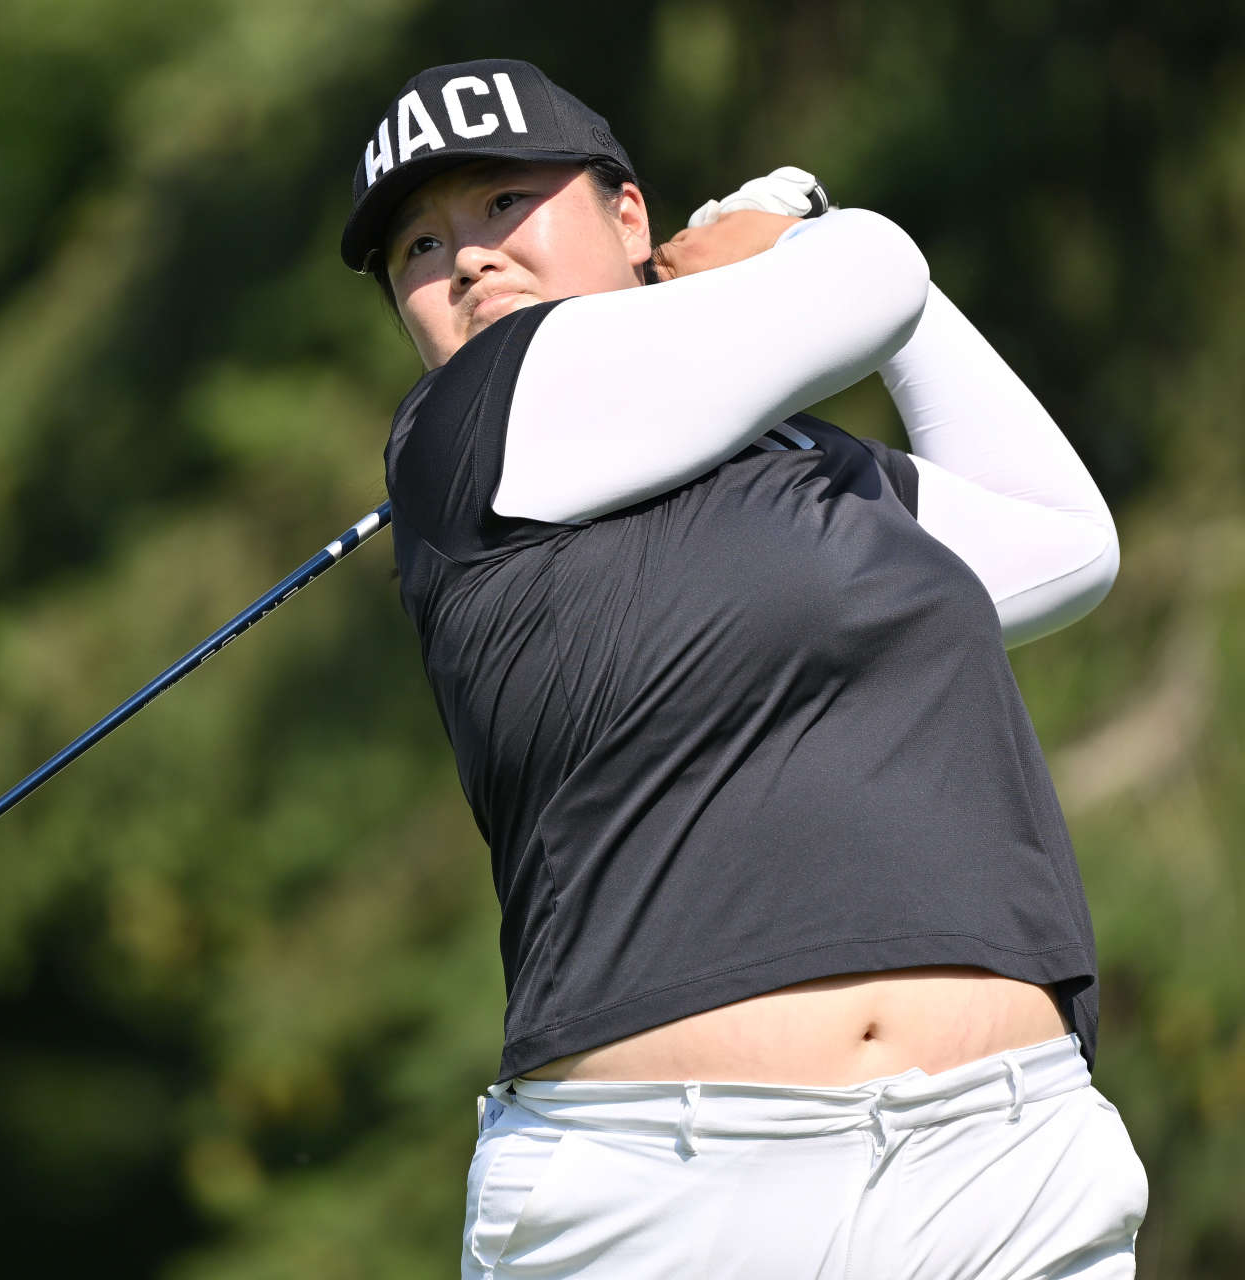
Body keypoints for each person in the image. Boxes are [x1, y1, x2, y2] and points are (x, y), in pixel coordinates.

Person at [339, 59, 1149, 1278]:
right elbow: (868, 280)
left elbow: (1066, 541)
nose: (468, 259)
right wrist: (812, 230)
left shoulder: (805, 468)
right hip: (667, 1199)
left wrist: (856, 269)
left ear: (628, 218)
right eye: (417, 247)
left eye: (506, 202)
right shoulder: (471, 422)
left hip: (1007, 1161)